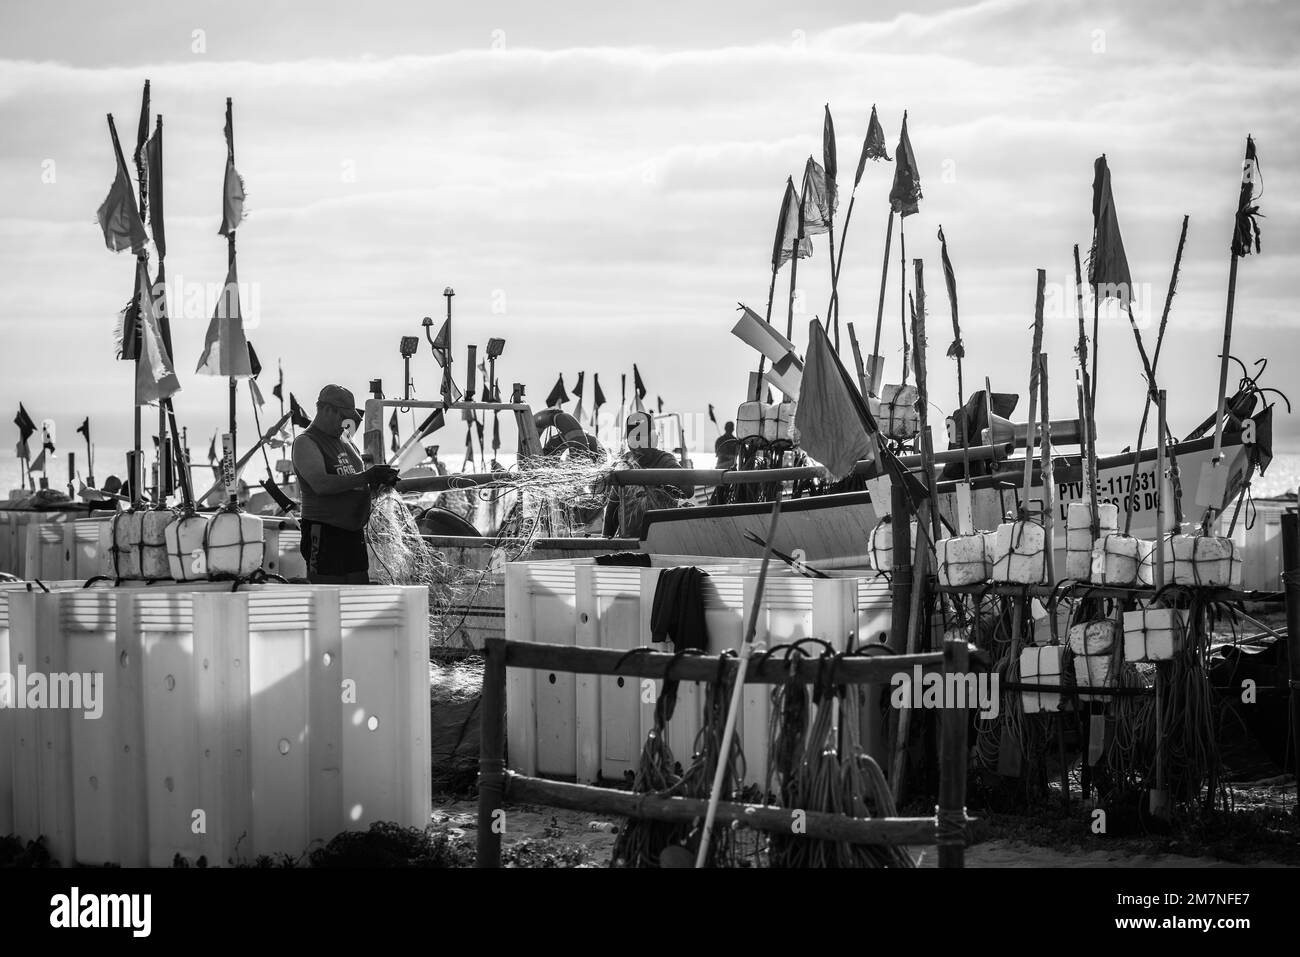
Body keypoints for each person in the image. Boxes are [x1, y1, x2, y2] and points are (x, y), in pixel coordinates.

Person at [291, 384, 399, 583]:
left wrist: (378, 483)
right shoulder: (306, 442)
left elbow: (356, 481)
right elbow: (321, 484)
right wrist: (367, 477)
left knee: (358, 592)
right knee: (327, 594)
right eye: (343, 417)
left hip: (353, 533)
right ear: (325, 409)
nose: (346, 424)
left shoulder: (345, 439)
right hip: (324, 532)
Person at [603, 411, 694, 538]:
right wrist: (605, 541)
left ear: (653, 439)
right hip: (629, 540)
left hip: (662, 538)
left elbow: (688, 491)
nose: (639, 446)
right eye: (635, 439)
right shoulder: (624, 463)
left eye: (642, 439)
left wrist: (656, 483)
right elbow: (612, 508)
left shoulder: (664, 461)